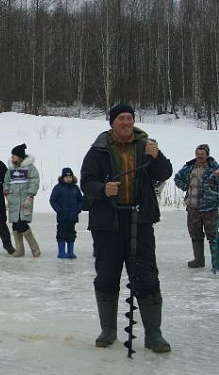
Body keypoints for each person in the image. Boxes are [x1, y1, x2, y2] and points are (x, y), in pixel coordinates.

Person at [80, 103, 173, 353]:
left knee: (146, 276)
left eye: (129, 118)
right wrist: (103, 189)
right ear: (112, 122)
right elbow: (86, 182)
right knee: (107, 275)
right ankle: (108, 330)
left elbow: (165, 172)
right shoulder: (98, 150)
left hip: (139, 221)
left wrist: (157, 156)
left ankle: (154, 334)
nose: (126, 122)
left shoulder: (146, 146)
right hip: (108, 223)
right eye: (121, 118)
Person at [173, 144, 219, 268]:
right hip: (193, 207)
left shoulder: (215, 168)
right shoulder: (189, 167)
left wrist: (214, 193)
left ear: (207, 155)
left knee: (213, 234)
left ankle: (217, 261)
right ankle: (198, 260)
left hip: (210, 207)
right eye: (198, 154)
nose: (199, 156)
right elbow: (177, 178)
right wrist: (185, 187)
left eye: (202, 154)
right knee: (195, 233)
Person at [3, 143, 41, 257]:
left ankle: (35, 248)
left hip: (25, 201)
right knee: (15, 225)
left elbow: (35, 181)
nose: (12, 157)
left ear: (19, 157)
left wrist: (30, 195)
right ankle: (20, 250)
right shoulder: (10, 169)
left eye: (14, 155)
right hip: (13, 201)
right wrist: (7, 193)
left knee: (22, 224)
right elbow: (6, 182)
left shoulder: (30, 168)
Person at [49, 167, 83, 259]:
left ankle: (71, 252)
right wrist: (59, 210)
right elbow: (53, 200)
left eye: (70, 177)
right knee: (61, 233)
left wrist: (78, 208)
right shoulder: (58, 188)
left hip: (73, 216)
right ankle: (61, 252)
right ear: (63, 177)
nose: (68, 179)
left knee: (71, 233)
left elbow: (80, 199)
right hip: (62, 216)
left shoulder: (75, 188)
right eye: (66, 177)